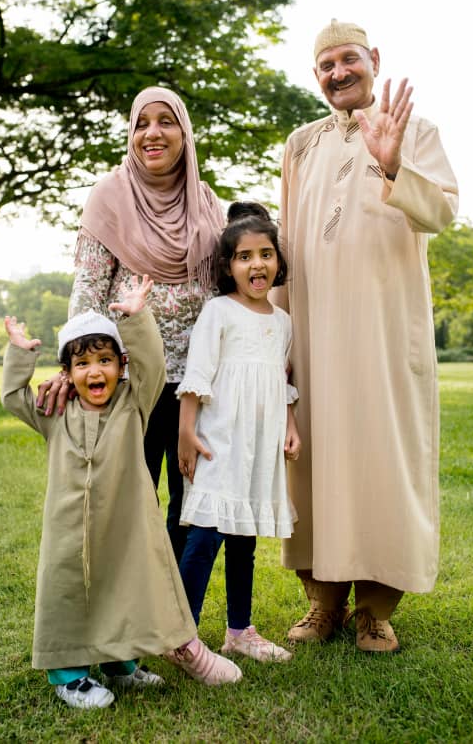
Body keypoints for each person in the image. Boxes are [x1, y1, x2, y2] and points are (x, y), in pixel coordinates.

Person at [274, 19, 459, 653]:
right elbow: (283, 251)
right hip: (315, 337)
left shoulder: (417, 129)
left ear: (373, 59)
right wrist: (281, 339)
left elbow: (441, 214)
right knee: (314, 463)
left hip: (384, 338)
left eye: (348, 60)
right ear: (316, 76)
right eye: (325, 65)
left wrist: (393, 164)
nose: (338, 73)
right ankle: (321, 602)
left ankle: (375, 609)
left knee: (383, 459)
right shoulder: (299, 145)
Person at [2, 275, 240, 709]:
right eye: (83, 363)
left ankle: (122, 666)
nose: (95, 370)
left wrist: (136, 318)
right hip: (68, 532)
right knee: (69, 593)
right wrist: (20, 352)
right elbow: (12, 396)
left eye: (105, 360)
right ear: (68, 372)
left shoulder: (133, 405)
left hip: (121, 527)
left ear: (120, 364)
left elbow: (154, 367)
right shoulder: (54, 412)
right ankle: (69, 675)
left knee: (120, 589)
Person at [37, 87, 224, 563]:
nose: (152, 133)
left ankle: (178, 623)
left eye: (166, 121)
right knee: (130, 504)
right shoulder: (110, 196)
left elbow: (225, 293)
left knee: (193, 509)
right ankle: (132, 619)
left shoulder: (205, 202)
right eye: (141, 123)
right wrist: (70, 369)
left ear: (185, 132)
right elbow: (87, 296)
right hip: (132, 387)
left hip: (197, 387)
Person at [173, 203, 301, 664]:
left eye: (266, 254)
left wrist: (289, 429)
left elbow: (281, 382)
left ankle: (239, 630)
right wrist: (186, 433)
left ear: (278, 262)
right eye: (245, 256)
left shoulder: (282, 322)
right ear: (229, 266)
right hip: (220, 441)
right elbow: (197, 376)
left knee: (243, 537)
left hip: (259, 445)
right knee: (206, 536)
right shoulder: (218, 312)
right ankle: (180, 634)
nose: (257, 264)